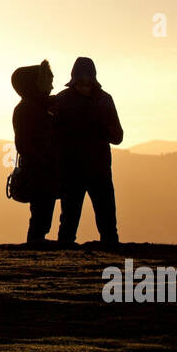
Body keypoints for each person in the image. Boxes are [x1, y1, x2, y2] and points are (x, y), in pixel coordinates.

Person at [54, 57, 123, 246]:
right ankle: (65, 266)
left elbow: (118, 136)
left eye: (87, 82)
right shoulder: (64, 101)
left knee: (107, 223)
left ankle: (112, 262)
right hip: (74, 172)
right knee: (69, 224)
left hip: (96, 171)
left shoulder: (103, 100)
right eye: (81, 82)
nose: (85, 86)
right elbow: (53, 136)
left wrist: (100, 129)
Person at [10, 61, 60, 246]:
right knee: (41, 215)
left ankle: (36, 244)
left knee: (41, 215)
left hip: (41, 171)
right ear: (36, 83)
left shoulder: (32, 107)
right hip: (41, 172)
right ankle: (35, 246)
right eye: (47, 81)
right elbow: (25, 145)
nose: (52, 86)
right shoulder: (31, 109)